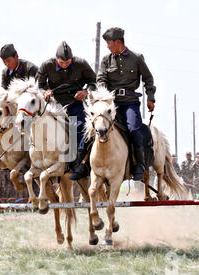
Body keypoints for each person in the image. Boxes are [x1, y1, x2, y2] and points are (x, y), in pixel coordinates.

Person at [96, 27, 156, 181]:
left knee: (134, 129)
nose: (108, 46)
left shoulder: (136, 58)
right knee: (96, 129)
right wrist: (103, 95)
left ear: (118, 42)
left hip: (130, 103)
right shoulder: (106, 60)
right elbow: (101, 79)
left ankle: (140, 165)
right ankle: (87, 165)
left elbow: (148, 79)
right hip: (111, 105)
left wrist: (150, 98)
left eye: (109, 43)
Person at [36, 41, 97, 180]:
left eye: (68, 62)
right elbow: (39, 85)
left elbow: (94, 82)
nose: (65, 65)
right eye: (62, 62)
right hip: (55, 105)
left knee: (79, 129)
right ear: (56, 58)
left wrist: (86, 91)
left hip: (75, 104)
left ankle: (79, 164)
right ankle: (39, 162)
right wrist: (45, 92)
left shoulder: (81, 64)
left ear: (72, 58)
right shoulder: (47, 65)